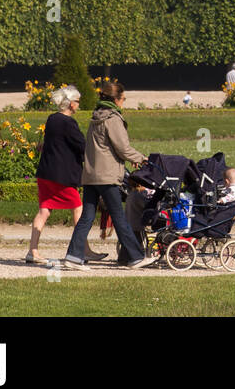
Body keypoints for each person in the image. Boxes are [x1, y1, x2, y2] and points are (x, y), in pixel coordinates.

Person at [62, 80, 152, 269]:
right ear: (116, 99)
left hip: (91, 175)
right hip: (107, 176)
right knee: (119, 217)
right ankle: (135, 257)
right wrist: (142, 158)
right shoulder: (112, 119)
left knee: (87, 216)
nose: (123, 102)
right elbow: (123, 148)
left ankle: (73, 255)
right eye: (123, 99)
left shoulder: (96, 117)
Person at [27, 86, 106, 264]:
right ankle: (82, 249)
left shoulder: (52, 119)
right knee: (79, 208)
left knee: (44, 211)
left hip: (46, 173)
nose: (78, 104)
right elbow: (81, 145)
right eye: (77, 101)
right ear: (71, 104)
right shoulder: (68, 123)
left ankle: (33, 250)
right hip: (62, 176)